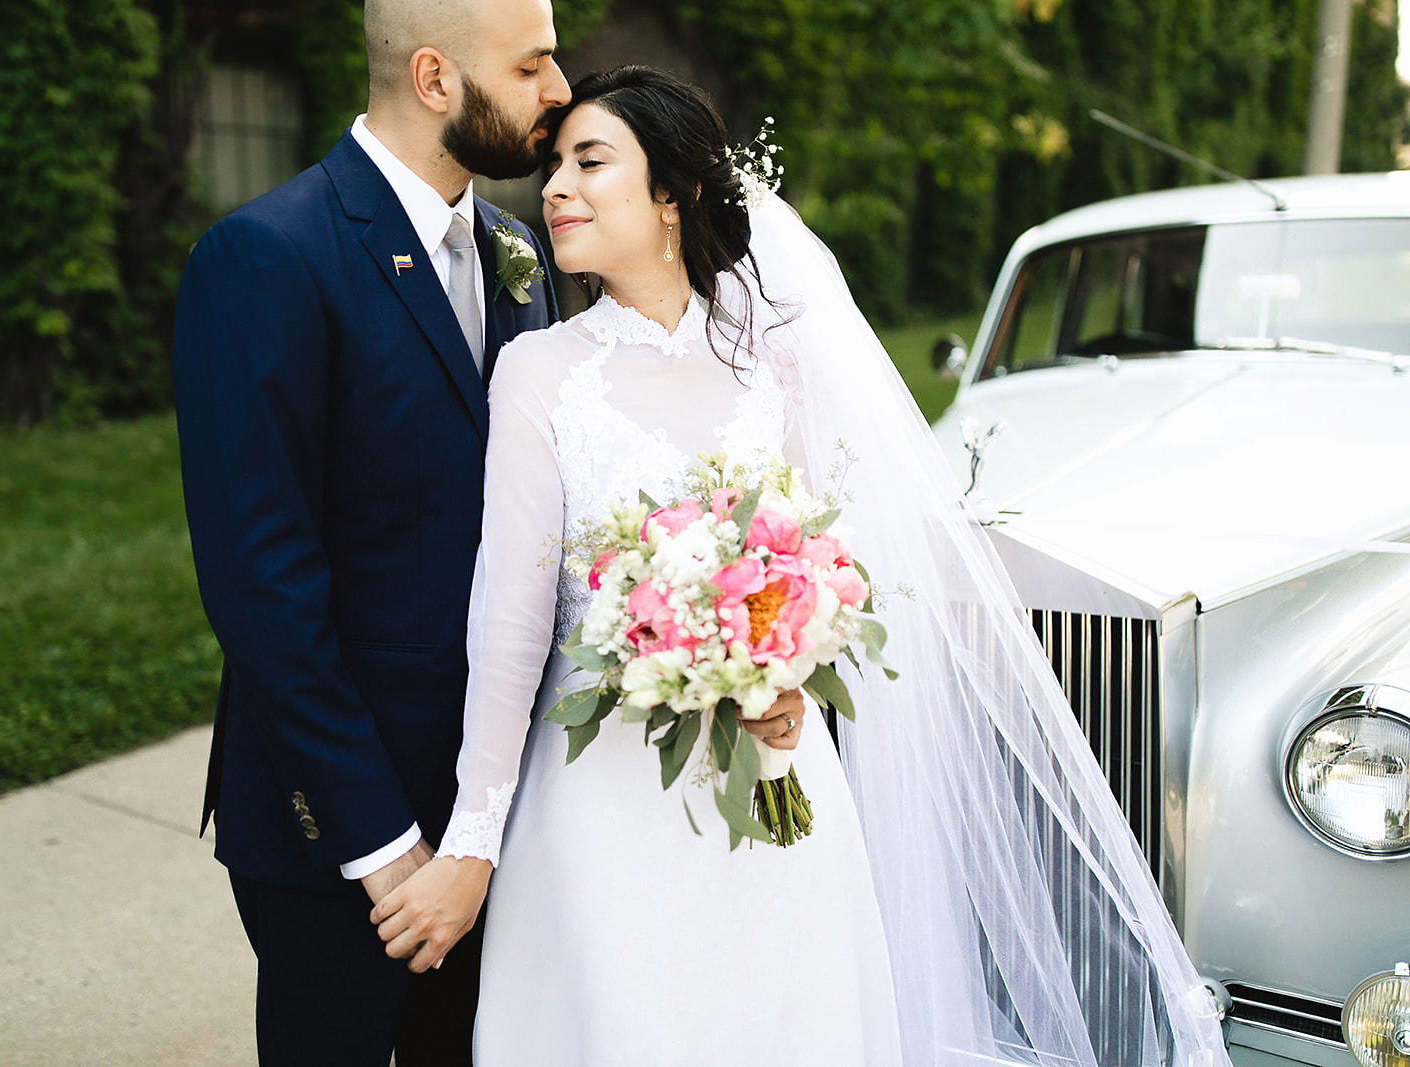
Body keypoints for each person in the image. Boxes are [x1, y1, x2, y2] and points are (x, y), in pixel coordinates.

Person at [372, 66, 1235, 1067]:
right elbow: (510, 620)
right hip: (597, 810)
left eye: (590, 161)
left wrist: (789, 675)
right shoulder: (542, 372)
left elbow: (837, 565)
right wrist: (473, 838)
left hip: (776, 797)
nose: (554, 186)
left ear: (673, 195)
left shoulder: (771, 365)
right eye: (553, 165)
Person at [170, 1, 576, 1062]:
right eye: (532, 65)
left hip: (495, 817)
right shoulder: (264, 256)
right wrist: (381, 846)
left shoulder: (514, 250)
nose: (561, 90)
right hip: (344, 833)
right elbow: (262, 586)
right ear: (436, 79)